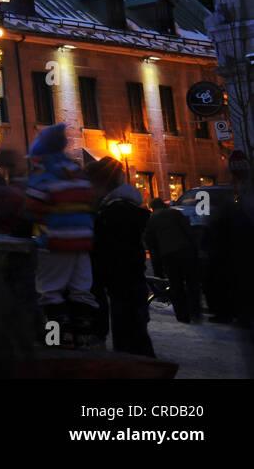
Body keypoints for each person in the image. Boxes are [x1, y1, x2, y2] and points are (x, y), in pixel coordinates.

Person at [25, 124, 98, 344]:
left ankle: (56, 338)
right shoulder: (77, 171)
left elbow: (33, 205)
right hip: (83, 239)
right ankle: (85, 335)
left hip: (56, 239)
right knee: (81, 289)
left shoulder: (46, 174)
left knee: (49, 290)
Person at [84, 156, 154, 355]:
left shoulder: (114, 211)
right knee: (133, 339)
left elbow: (114, 253)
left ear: (101, 184)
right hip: (127, 284)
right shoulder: (119, 207)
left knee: (131, 343)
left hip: (124, 284)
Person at [144, 197, 201, 324]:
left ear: (153, 207)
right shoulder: (175, 213)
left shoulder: (152, 219)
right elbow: (188, 231)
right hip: (186, 251)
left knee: (176, 285)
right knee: (192, 283)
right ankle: (195, 313)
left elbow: (151, 243)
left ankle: (182, 316)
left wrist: (158, 267)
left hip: (169, 255)